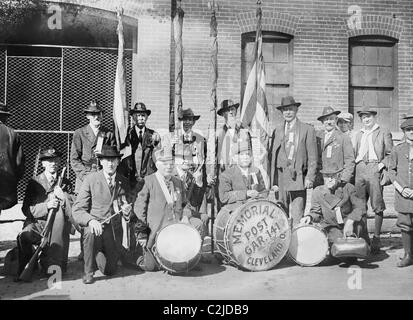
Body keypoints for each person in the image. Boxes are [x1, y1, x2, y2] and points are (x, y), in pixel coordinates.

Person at [133, 146, 205, 272]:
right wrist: (142, 233)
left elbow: (185, 204)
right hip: (157, 230)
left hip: (177, 226)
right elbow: (139, 210)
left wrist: (185, 216)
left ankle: (191, 257)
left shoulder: (177, 182)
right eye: (164, 163)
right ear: (157, 165)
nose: (169, 166)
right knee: (151, 267)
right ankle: (141, 256)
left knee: (198, 224)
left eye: (171, 163)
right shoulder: (148, 182)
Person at [72, 145, 132, 284]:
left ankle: (98, 253)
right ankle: (88, 271)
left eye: (113, 160)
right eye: (107, 160)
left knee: (110, 271)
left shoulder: (123, 181)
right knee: (90, 233)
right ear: (101, 161)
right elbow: (78, 209)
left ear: (118, 162)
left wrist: (127, 212)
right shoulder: (91, 180)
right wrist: (90, 221)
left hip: (113, 231)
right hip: (96, 228)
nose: (110, 164)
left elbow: (124, 204)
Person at [70, 99, 115, 261]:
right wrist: (86, 176)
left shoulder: (108, 134)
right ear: (88, 116)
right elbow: (74, 160)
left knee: (102, 212)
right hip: (85, 180)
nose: (96, 117)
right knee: (84, 214)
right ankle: (85, 251)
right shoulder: (80, 133)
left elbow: (112, 157)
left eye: (98, 114)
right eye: (93, 114)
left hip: (102, 180)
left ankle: (102, 248)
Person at [18, 147, 73, 277]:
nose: (52, 163)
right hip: (38, 223)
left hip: (57, 227)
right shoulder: (34, 182)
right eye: (48, 161)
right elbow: (26, 209)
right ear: (42, 163)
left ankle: (50, 263)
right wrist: (46, 206)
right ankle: (28, 266)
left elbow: (72, 210)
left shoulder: (66, 182)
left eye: (55, 160)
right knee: (24, 236)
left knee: (54, 271)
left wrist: (63, 198)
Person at [300, 166, 369, 262]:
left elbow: (360, 207)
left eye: (332, 176)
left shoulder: (348, 188)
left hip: (349, 224)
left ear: (339, 176)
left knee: (351, 248)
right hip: (331, 226)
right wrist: (309, 217)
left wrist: (350, 221)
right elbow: (316, 212)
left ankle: (354, 250)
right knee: (338, 244)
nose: (329, 179)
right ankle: (337, 251)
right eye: (326, 176)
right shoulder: (318, 192)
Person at [269, 96, 318, 226]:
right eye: (285, 110)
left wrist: (310, 177)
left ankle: (296, 243)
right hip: (281, 177)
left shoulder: (307, 129)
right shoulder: (277, 130)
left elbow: (313, 157)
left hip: (298, 177)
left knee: (297, 214)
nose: (288, 113)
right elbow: (272, 156)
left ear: (296, 110)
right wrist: (273, 180)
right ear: (282, 112)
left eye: (290, 109)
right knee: (281, 214)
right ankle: (284, 243)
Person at [353, 106, 393, 253]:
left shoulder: (383, 133)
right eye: (363, 117)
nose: (366, 119)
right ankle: (363, 237)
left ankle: (376, 237)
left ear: (374, 117)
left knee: (377, 203)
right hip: (360, 169)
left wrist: (381, 166)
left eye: (368, 116)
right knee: (359, 205)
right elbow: (355, 153)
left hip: (374, 168)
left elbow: (390, 154)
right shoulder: (359, 134)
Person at [118, 102, 160, 199]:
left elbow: (158, 157)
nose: (140, 118)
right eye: (137, 115)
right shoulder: (127, 135)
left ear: (147, 117)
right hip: (130, 177)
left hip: (147, 177)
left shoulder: (153, 135)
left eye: (143, 115)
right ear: (133, 117)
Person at [387, 118, 413, 267]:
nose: (411, 132)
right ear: (404, 132)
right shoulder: (397, 149)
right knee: (405, 224)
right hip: (403, 194)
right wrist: (401, 188)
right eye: (408, 130)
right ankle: (408, 255)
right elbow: (391, 171)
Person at [219, 141, 266, 211]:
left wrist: (260, 195)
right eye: (242, 155)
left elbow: (264, 192)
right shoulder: (226, 175)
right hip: (236, 213)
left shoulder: (256, 171)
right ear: (235, 158)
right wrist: (246, 194)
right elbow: (224, 197)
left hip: (256, 211)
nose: (245, 157)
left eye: (248, 154)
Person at [315, 107, 355, 186]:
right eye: (326, 119)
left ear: (336, 120)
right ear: (322, 122)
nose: (329, 122)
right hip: (320, 179)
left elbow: (350, 160)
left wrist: (344, 178)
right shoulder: (317, 136)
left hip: (337, 179)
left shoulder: (343, 137)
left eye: (331, 119)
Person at [0, 103, 25, 213]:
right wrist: (15, 178)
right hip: (5, 180)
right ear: (4, 117)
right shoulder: (12, 134)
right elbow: (19, 162)